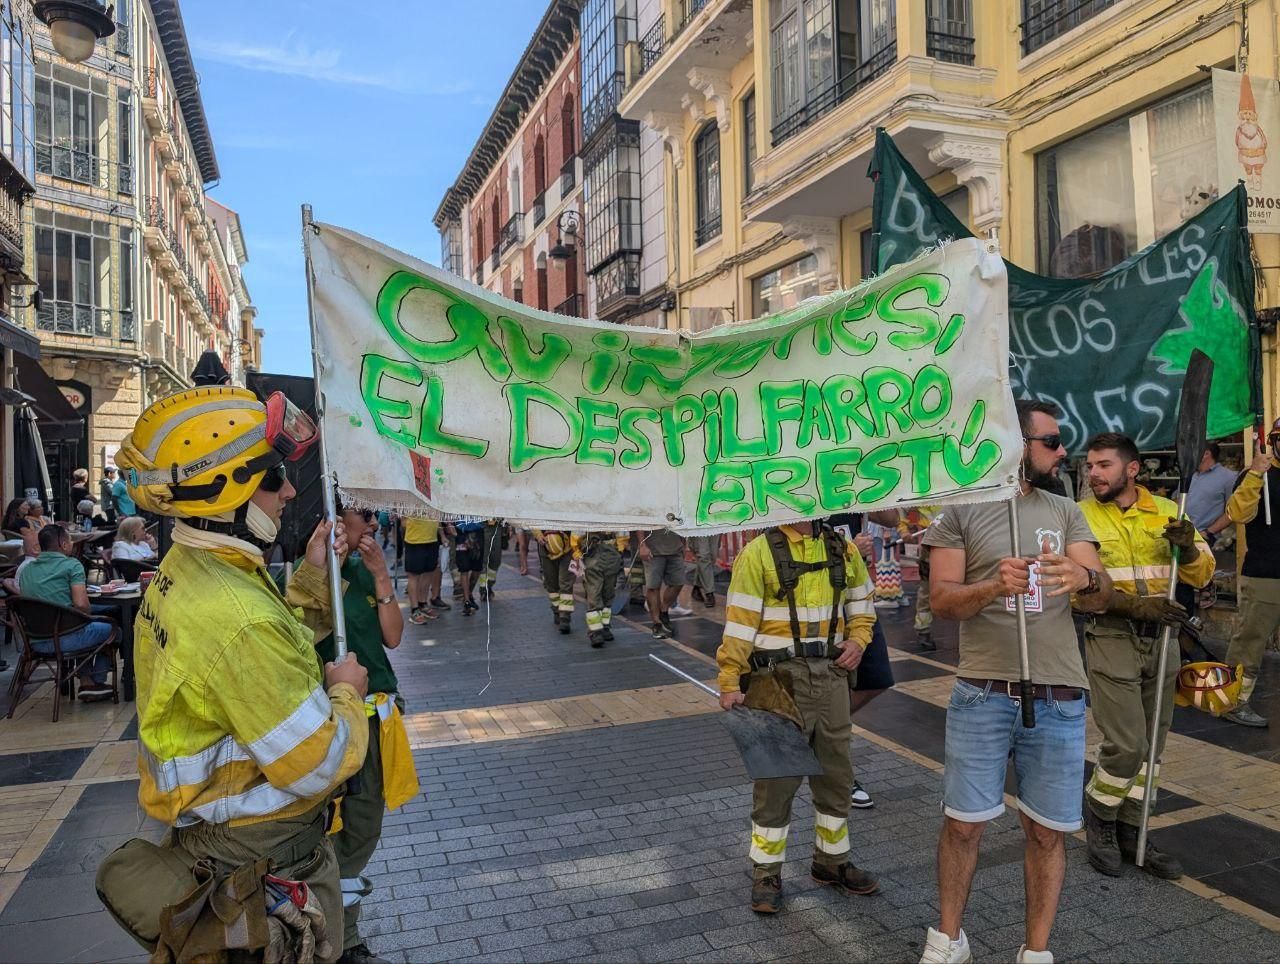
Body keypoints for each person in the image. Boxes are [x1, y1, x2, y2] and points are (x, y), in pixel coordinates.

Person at [108, 385, 368, 960]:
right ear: (228, 493)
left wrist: (310, 576)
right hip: (261, 856)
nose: (290, 491)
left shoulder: (194, 564)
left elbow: (264, 659)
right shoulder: (237, 614)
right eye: (274, 478)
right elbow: (316, 762)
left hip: (215, 837)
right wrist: (346, 695)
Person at [919, 400, 1113, 964]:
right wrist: (989, 587)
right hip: (982, 691)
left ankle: (1035, 952)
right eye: (1051, 441)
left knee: (1048, 832)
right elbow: (941, 601)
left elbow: (1101, 595)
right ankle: (949, 939)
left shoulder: (1067, 511)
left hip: (1058, 695)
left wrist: (1085, 576)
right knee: (962, 825)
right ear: (1016, 443)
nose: (1061, 451)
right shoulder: (961, 510)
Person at [717, 519, 879, 914]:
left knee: (836, 774)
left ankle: (832, 861)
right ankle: (766, 872)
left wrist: (858, 641)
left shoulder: (843, 550)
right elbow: (739, 624)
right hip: (775, 681)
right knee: (777, 779)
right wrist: (729, 678)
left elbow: (862, 608)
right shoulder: (756, 553)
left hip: (832, 677)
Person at [1078, 433, 1213, 881]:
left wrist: (1189, 547)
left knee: (1152, 749)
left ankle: (1134, 829)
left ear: (1132, 469)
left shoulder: (1170, 511)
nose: (1093, 473)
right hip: (1111, 635)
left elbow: (1203, 571)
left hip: (1165, 639)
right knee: (1128, 743)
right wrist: (1134, 605)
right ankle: (1099, 816)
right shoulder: (1078, 517)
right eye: (1090, 466)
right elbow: (1079, 589)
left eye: (1103, 465)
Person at [318, 504, 414, 964]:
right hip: (331, 721)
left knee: (363, 822)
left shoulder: (363, 569)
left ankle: (341, 933)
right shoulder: (311, 576)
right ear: (335, 521)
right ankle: (341, 938)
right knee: (340, 826)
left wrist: (380, 576)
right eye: (364, 515)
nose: (374, 523)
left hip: (375, 717)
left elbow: (392, 638)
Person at [830, 510, 900, 810]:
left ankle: (821, 729)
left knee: (877, 677)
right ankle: (839, 773)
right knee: (830, 683)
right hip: (818, 600)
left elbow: (892, 518)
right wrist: (847, 550)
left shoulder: (855, 476)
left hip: (857, 599)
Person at [1222, 420, 1280, 728]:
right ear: (1271, 442)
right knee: (1250, 643)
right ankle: (1234, 701)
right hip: (1266, 575)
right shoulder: (1256, 476)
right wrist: (1257, 473)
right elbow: (1239, 514)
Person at [18, 525, 115, 699]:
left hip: (36, 641)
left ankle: (86, 681)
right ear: (63, 545)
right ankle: (97, 680)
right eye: (70, 540)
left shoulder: (27, 570)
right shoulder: (71, 565)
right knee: (113, 627)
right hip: (66, 638)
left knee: (85, 623)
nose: (72, 543)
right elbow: (81, 605)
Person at [578, 530, 628, 648]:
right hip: (592, 552)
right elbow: (577, 531)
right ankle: (595, 632)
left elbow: (622, 531)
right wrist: (577, 551)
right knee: (594, 594)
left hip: (611, 554)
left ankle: (605, 627)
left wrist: (620, 550)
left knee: (608, 594)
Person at [637, 527, 685, 639]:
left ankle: (663, 611)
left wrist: (684, 542)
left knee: (678, 582)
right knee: (653, 586)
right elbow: (640, 522)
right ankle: (657, 623)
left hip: (675, 547)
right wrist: (642, 545)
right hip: (653, 549)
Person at [402, 515, 444, 624]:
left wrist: (442, 535)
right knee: (413, 576)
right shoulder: (410, 498)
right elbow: (403, 522)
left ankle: (423, 604)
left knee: (428, 573)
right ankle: (414, 609)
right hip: (414, 541)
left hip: (432, 539)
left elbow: (438, 518)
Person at [532, 528, 575, 632]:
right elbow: (533, 519)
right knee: (551, 584)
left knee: (565, 584)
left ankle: (565, 618)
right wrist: (538, 535)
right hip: (546, 548)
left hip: (567, 548)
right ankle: (557, 611)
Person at [453, 518, 486, 615]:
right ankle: (467, 601)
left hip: (478, 532)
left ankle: (469, 594)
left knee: (477, 569)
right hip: (461, 533)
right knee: (464, 568)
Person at [686, 534, 719, 608]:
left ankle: (696, 587)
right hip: (697, 525)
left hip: (715, 523)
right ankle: (709, 593)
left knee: (712, 555)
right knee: (704, 556)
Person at [476, 519, 505, 601]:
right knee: (484, 560)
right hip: (483, 525)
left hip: (497, 525)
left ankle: (489, 585)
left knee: (496, 560)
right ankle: (483, 589)